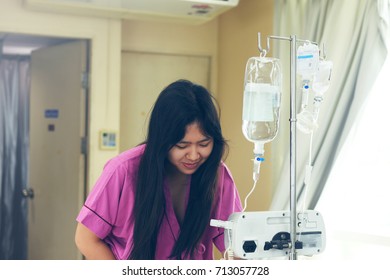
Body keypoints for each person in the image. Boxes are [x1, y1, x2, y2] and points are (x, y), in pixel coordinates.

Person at [74, 79, 242, 260]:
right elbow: (86, 239)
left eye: (203, 144)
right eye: (182, 145)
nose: (193, 155)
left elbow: (236, 246)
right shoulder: (123, 170)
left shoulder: (218, 175)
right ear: (162, 139)